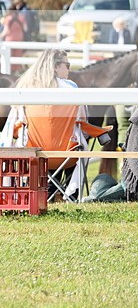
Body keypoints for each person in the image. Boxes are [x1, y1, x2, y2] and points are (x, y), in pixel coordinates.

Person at [0, 49, 110, 200]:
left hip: (35, 154)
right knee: (76, 141)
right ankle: (71, 194)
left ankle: (46, 191)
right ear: (55, 67)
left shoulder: (26, 89)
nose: (69, 70)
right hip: (67, 155)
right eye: (67, 65)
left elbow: (16, 125)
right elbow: (82, 121)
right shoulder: (71, 89)